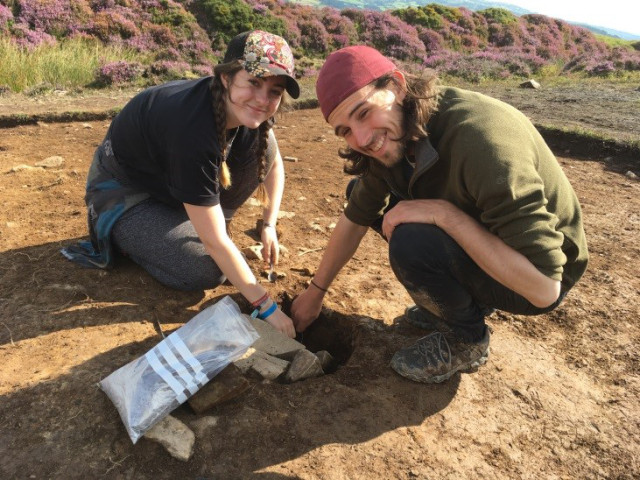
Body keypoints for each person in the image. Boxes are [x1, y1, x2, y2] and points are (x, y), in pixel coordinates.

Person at [291, 45, 588, 382]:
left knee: (412, 241)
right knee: (362, 197)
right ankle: (459, 298)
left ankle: (467, 338)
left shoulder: (481, 141)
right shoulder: (396, 130)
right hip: (491, 240)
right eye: (344, 129)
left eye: (363, 113)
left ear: (398, 87)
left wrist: (445, 215)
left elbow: (544, 289)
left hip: (535, 274)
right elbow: (356, 216)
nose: (361, 138)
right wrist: (315, 292)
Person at [61, 30, 299, 338]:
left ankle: (201, 219)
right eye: (253, 82)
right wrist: (267, 308)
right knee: (205, 270)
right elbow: (214, 243)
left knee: (262, 144)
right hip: (124, 190)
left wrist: (268, 225)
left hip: (168, 178)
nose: (262, 99)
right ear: (226, 78)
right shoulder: (191, 130)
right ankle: (125, 236)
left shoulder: (249, 113)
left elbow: (274, 163)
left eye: (274, 91)